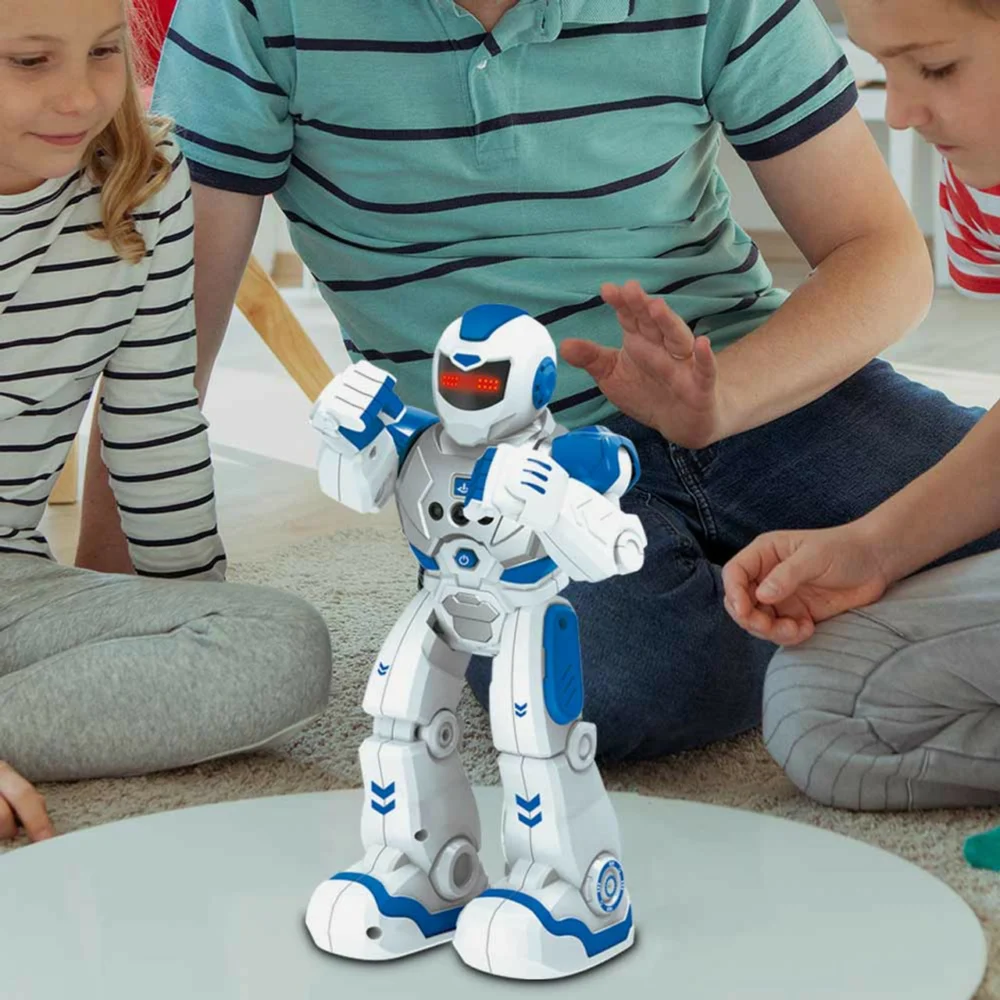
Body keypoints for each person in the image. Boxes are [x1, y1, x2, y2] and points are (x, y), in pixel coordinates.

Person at [109, 0, 1000, 764]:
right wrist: (112, 603)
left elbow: (880, 254)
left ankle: (847, 617)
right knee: (602, 683)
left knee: (980, 504)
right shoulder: (250, 13)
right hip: (502, 467)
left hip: (757, 388)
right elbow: (166, 339)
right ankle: (881, 634)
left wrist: (725, 394)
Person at [0, 0, 333, 843]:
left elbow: (156, 424)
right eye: (31, 62)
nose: (81, 96)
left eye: (103, 51)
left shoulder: (144, 180)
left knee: (283, 644)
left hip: (12, 587)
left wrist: (188, 627)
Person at [723, 0, 1000, 811]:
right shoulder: (981, 180)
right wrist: (872, 550)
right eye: (887, 70)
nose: (901, 114)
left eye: (937, 68)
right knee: (820, 708)